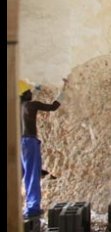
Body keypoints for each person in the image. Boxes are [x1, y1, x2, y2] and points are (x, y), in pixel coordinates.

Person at [19, 78, 67, 219]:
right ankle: (32, 209)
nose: (32, 93)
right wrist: (63, 90)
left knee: (17, 176)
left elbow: (30, 93)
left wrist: (38, 86)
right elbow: (53, 107)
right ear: (27, 95)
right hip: (29, 142)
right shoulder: (32, 105)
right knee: (32, 175)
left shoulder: (15, 106)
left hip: (17, 143)